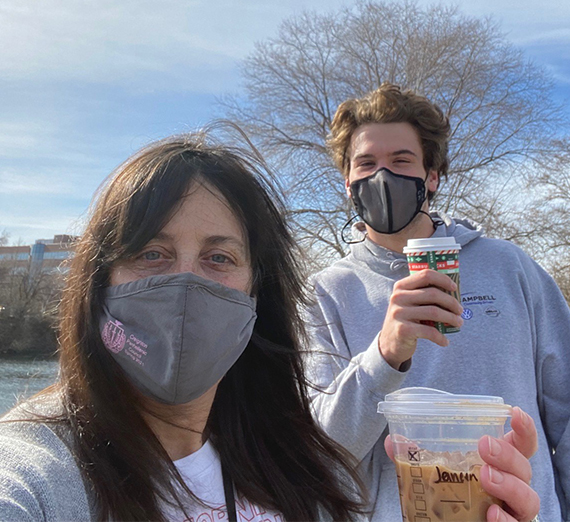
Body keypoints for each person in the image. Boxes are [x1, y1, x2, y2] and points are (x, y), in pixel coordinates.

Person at [0, 128, 367, 521]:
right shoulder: (38, 471)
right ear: (100, 282)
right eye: (152, 254)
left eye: (219, 258)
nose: (187, 282)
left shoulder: (294, 465)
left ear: (256, 293)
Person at [305, 83, 567, 522]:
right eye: (366, 164)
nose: (382, 177)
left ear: (432, 177)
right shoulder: (325, 293)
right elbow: (319, 453)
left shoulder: (509, 266)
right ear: (348, 183)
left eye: (401, 161)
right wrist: (384, 356)